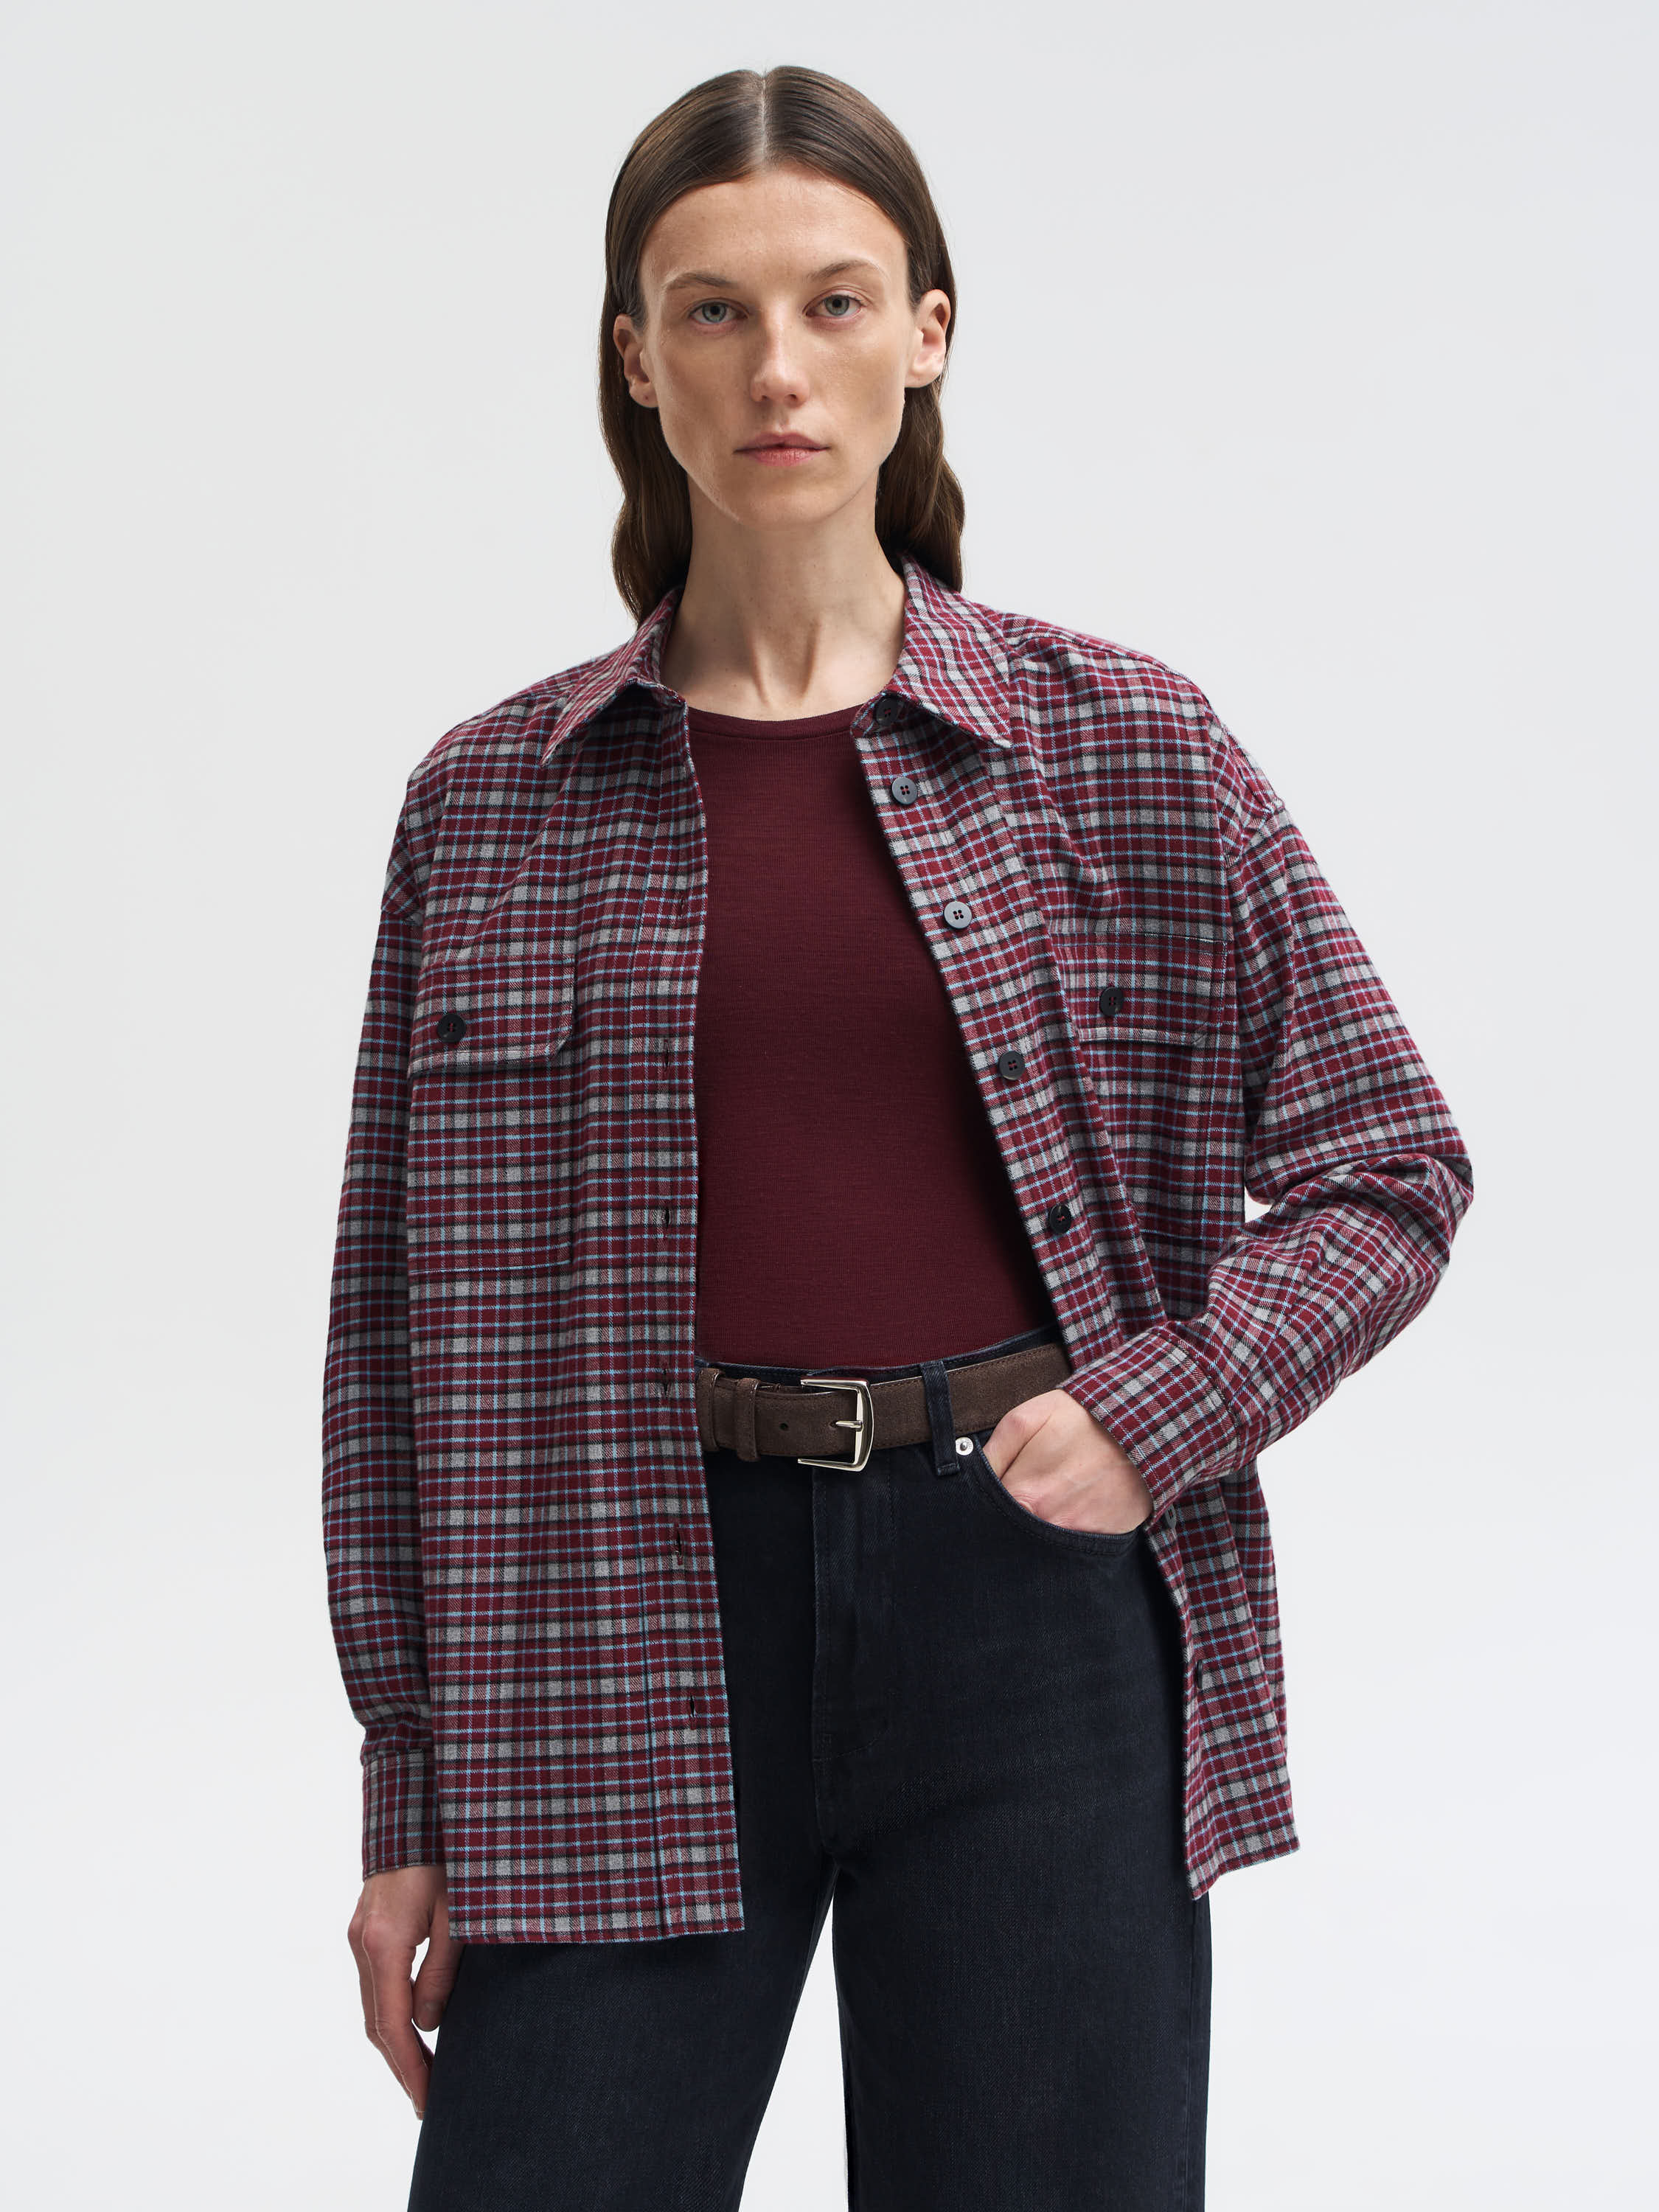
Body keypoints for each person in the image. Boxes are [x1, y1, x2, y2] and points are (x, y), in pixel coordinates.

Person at [322, 62, 1473, 2212]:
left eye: (834, 302)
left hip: (1033, 1608)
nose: (778, 368)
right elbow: (393, 1347)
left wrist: (1154, 1414)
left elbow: (1386, 1165)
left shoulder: (1121, 748)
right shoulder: (488, 805)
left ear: (926, 335)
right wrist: (408, 1787)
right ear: (635, 359)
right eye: (714, 310)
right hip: (616, 1616)